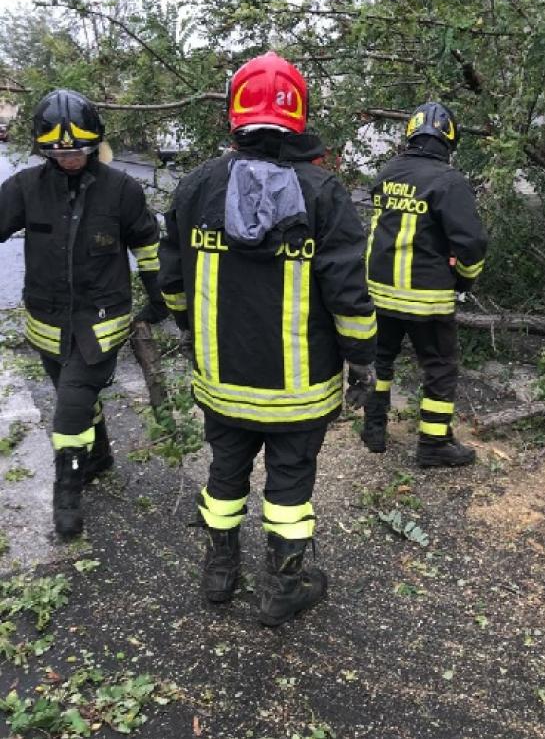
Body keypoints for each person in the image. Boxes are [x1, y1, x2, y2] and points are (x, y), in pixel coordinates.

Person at [158, 51, 376, 626]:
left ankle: (220, 571)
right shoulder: (325, 193)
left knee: (225, 474)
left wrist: (192, 331)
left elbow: (171, 281)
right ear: (300, 115)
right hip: (299, 391)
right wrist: (363, 363)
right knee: (289, 484)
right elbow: (350, 293)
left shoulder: (196, 186)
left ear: (234, 114)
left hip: (222, 380)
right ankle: (284, 587)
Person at [0, 89, 167, 538]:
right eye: (58, 150)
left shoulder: (121, 190)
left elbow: (149, 247)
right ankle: (99, 457)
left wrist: (160, 300)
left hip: (101, 322)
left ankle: (67, 492)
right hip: (47, 323)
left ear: (94, 144)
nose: (69, 157)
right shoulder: (24, 189)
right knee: (76, 399)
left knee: (69, 407)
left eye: (78, 150)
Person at [363, 101, 488, 466]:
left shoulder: (387, 173)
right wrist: (466, 279)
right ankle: (433, 444)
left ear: (411, 135)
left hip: (379, 293)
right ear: (449, 141)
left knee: (380, 361)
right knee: (439, 367)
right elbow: (472, 243)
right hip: (426, 298)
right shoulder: (449, 182)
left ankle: (373, 429)